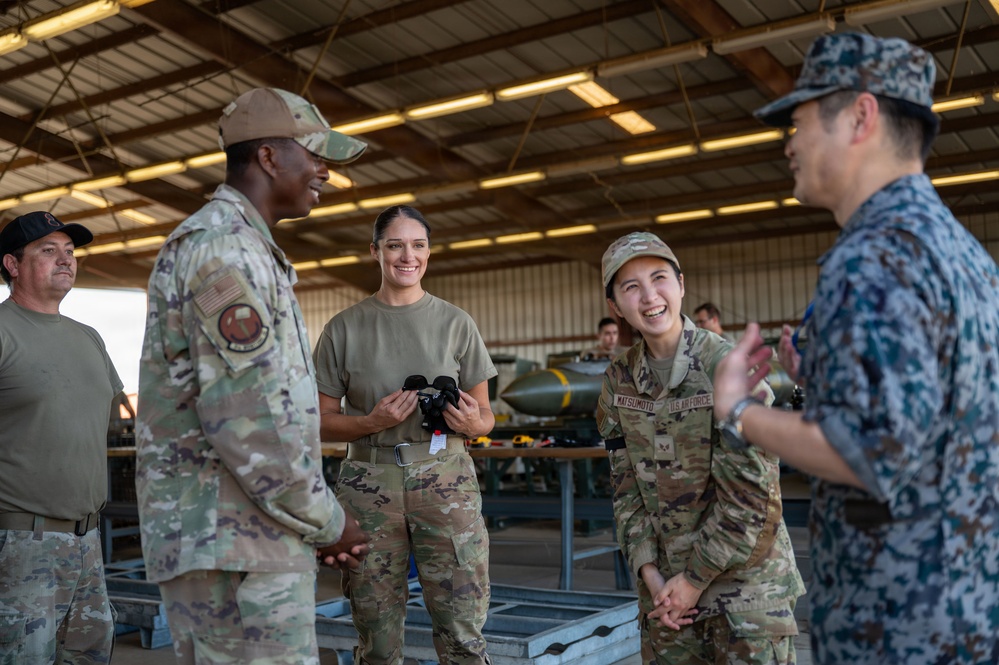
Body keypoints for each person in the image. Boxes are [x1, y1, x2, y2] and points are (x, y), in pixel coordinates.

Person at [711, 33, 999, 665]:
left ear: (861, 116)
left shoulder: (872, 256)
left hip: (896, 623)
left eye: (801, 121)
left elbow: (867, 450)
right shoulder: (958, 252)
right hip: (963, 606)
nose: (789, 143)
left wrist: (738, 410)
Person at [135, 87, 371, 665]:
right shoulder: (225, 250)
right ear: (268, 157)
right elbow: (252, 418)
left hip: (240, 533)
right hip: (234, 543)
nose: (324, 172)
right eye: (314, 155)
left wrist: (307, 522)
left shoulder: (245, 248)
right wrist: (327, 518)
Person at [596, 231, 804, 665]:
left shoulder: (728, 368)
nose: (650, 296)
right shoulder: (618, 380)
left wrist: (693, 580)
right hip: (667, 599)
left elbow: (752, 499)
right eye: (631, 287)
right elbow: (624, 489)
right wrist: (649, 573)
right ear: (615, 306)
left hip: (744, 593)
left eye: (659, 279)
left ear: (681, 284)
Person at [313, 204, 497, 665]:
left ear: (428, 253)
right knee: (375, 629)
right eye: (395, 245)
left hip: (446, 479)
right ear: (375, 251)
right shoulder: (343, 329)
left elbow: (487, 415)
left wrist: (473, 425)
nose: (406, 256)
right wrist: (370, 423)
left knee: (462, 625)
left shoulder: (456, 323)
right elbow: (317, 421)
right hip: (368, 482)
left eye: (417, 245)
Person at [0, 211, 123, 664]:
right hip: (21, 542)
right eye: (48, 251)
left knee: (88, 656)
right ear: (13, 265)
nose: (65, 260)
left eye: (69, 252)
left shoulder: (88, 337)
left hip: (87, 539)